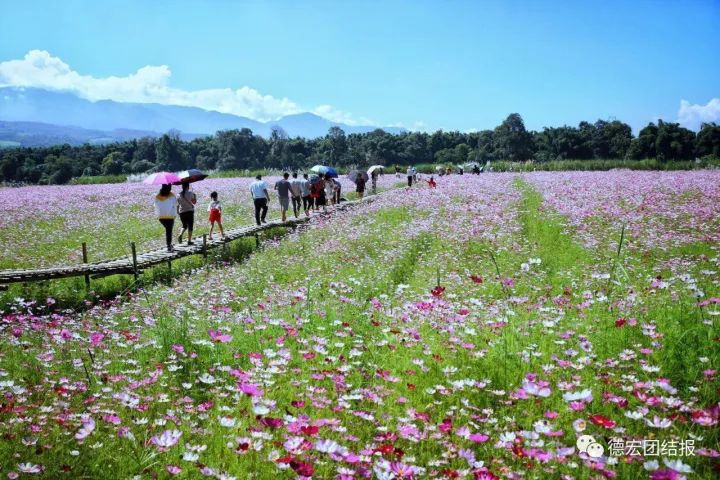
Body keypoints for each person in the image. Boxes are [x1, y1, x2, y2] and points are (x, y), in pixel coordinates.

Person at [154, 184, 177, 252]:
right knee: (169, 231)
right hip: (170, 216)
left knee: (168, 230)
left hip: (161, 217)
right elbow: (175, 203)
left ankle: (169, 245)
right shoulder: (171, 195)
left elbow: (156, 205)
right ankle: (169, 246)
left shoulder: (158, 195)